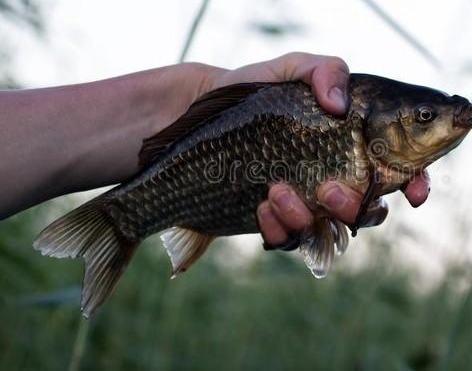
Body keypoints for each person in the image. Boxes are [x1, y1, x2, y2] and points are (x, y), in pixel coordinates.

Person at [0, 52, 430, 250]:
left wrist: (185, 103)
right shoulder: (350, 113)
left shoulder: (383, 156)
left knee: (312, 216)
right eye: (425, 116)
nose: (440, 124)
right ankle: (119, 218)